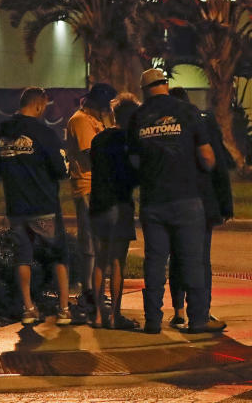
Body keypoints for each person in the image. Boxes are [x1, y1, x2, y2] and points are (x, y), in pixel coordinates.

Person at [127, 69, 219, 334]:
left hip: (153, 200)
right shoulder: (188, 112)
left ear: (144, 90)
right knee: (192, 261)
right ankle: (198, 319)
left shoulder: (137, 117)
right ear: (166, 85)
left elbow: (133, 160)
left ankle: (153, 320)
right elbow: (208, 157)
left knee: (155, 262)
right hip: (187, 198)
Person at [0, 87, 72, 326]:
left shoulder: (2, 134)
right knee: (60, 255)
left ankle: (28, 308)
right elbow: (61, 169)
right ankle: (64, 309)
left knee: (23, 257)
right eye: (44, 107)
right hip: (44, 205)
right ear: (38, 105)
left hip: (16, 207)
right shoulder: (43, 133)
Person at [166, 87, 234, 332]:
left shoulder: (167, 127)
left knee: (176, 258)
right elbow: (219, 167)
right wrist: (225, 205)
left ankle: (179, 312)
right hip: (202, 202)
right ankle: (201, 312)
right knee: (201, 259)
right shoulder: (202, 122)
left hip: (173, 200)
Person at [88, 93, 141, 330]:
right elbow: (134, 174)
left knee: (100, 260)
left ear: (114, 115)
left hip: (98, 204)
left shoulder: (99, 140)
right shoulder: (131, 141)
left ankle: (98, 315)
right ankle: (114, 316)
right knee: (118, 261)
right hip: (120, 204)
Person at [66, 82, 117, 319]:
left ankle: (94, 290)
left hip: (99, 186)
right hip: (86, 185)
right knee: (89, 239)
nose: (106, 111)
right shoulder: (80, 121)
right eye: (104, 106)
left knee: (99, 240)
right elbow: (91, 153)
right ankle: (87, 291)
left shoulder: (95, 121)